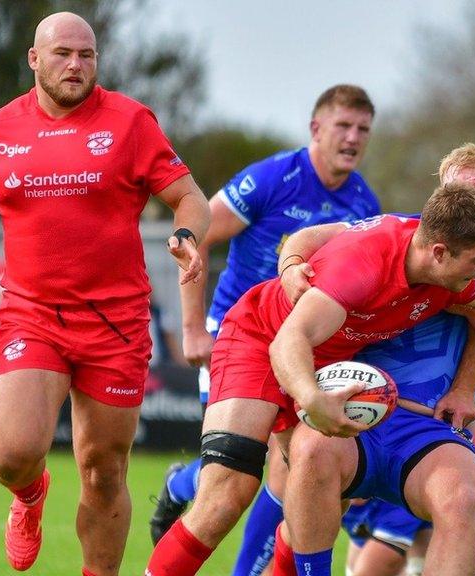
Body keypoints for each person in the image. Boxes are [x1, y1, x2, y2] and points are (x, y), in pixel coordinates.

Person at [0, 12, 210, 575]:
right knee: (11, 454)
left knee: (104, 470)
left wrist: (184, 236)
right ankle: (30, 497)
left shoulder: (131, 122)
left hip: (115, 322)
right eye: (62, 53)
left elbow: (191, 199)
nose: (76, 65)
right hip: (31, 314)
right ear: (35, 60)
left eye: (87, 55)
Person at [145, 182, 475, 576]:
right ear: (439, 253)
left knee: (313, 502)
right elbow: (289, 341)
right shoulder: (364, 265)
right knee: (227, 495)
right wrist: (312, 399)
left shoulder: (463, 272)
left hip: (328, 363)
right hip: (260, 338)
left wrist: (463, 387)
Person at [271, 142, 475, 576]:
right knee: (304, 468)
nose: (466, 204)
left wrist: (461, 299)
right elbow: (313, 236)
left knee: (458, 500)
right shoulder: (407, 238)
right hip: (357, 408)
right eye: (455, 192)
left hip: (431, 425)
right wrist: (292, 263)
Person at [149, 85, 381, 576]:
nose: (353, 137)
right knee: (236, 470)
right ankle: (181, 487)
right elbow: (197, 236)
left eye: (363, 128)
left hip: (305, 347)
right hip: (241, 334)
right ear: (316, 128)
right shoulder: (272, 178)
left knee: (293, 471)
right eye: (343, 125)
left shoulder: (365, 202)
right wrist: (193, 327)